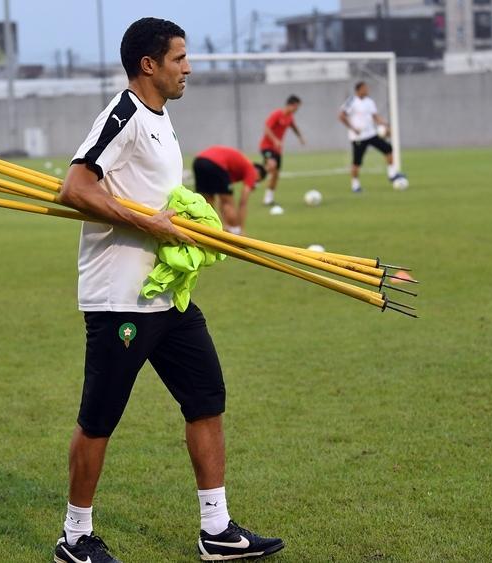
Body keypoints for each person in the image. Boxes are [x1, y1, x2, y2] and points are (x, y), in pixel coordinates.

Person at [54, 17, 286, 563]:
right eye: (179, 58)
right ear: (149, 65)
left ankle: (216, 529)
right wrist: (149, 224)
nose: (189, 68)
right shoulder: (123, 114)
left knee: (206, 399)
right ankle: (75, 537)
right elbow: (75, 187)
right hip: (121, 300)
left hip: (167, 295)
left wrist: (188, 218)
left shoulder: (161, 118)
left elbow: (154, 196)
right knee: (99, 418)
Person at [338, 82, 407, 193]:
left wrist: (385, 125)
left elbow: (375, 116)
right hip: (358, 137)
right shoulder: (351, 101)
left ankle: (392, 174)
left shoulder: (369, 101)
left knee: (388, 148)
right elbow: (341, 116)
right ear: (359, 89)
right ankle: (355, 185)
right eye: (365, 88)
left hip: (371, 134)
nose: (367, 90)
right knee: (357, 162)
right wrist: (353, 128)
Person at [192, 145, 267, 234]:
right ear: (257, 173)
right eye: (257, 181)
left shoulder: (236, 169)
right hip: (215, 163)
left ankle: (207, 230)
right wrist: (241, 228)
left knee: (207, 201)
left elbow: (221, 196)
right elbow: (243, 202)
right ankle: (236, 232)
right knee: (228, 203)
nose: (254, 184)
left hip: (199, 161)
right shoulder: (251, 169)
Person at [258, 95, 305, 206]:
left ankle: (268, 199)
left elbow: (294, 127)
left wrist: (300, 137)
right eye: (297, 106)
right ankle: (255, 176)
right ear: (291, 105)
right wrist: (275, 140)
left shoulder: (290, 117)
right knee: (272, 166)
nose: (297, 109)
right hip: (266, 146)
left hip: (277, 149)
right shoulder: (277, 114)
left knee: (276, 174)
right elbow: (266, 128)